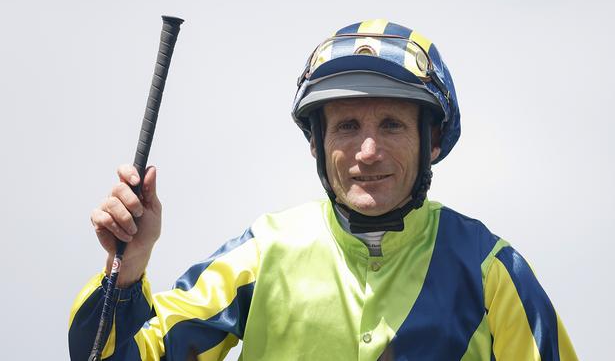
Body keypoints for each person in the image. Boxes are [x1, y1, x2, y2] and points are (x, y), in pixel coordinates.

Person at [69, 19, 578, 360]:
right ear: (316, 143)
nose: (368, 151)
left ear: (434, 140)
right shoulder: (263, 255)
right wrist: (126, 274)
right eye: (348, 126)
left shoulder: (492, 271)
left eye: (393, 125)